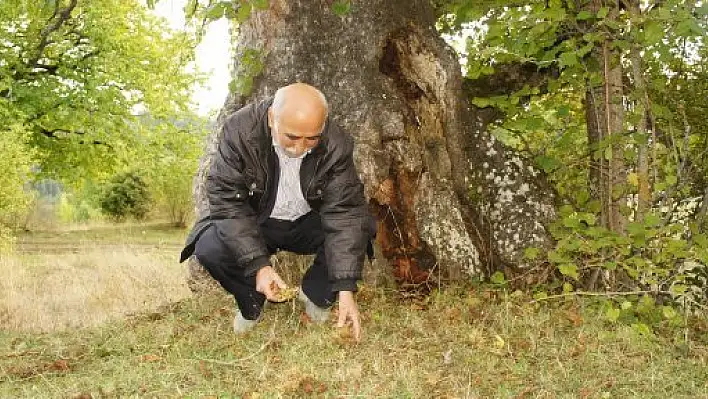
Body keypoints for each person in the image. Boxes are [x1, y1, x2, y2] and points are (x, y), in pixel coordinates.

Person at [180, 83, 374, 341]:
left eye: (312, 139)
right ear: (272, 118)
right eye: (291, 137)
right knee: (210, 247)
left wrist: (346, 289)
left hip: (307, 221)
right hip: (257, 220)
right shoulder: (239, 130)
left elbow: (345, 212)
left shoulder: (336, 142)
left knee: (359, 227)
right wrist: (258, 266)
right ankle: (252, 298)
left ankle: (316, 294)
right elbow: (227, 202)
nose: (300, 148)